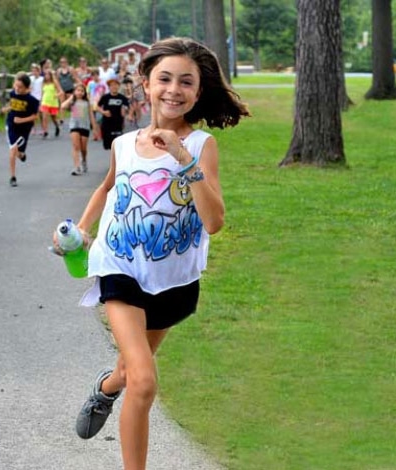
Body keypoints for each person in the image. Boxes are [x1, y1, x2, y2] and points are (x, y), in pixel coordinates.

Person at [55, 37, 250, 470]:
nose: (174, 89)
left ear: (198, 93)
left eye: (186, 82)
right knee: (143, 382)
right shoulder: (123, 144)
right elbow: (107, 188)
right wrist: (81, 230)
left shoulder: (201, 146)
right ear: (146, 84)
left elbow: (214, 220)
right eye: (164, 78)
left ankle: (106, 387)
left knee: (128, 373)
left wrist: (181, 156)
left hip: (174, 278)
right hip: (120, 269)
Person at [3, 72, 40, 187]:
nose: (17, 89)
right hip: (11, 125)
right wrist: (7, 108)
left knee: (18, 151)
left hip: (24, 128)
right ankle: (12, 177)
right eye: (16, 86)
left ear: (27, 88)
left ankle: (21, 155)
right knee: (13, 149)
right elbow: (12, 105)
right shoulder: (13, 93)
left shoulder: (32, 100)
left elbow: (35, 116)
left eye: (20, 87)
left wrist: (22, 120)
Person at [61, 83, 97, 175]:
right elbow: (63, 106)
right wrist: (71, 98)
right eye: (77, 90)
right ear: (74, 92)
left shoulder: (87, 102)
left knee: (83, 149)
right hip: (74, 126)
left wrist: (95, 128)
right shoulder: (72, 101)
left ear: (84, 92)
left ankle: (84, 160)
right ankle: (77, 167)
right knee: (76, 146)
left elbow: (91, 115)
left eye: (82, 91)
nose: (80, 92)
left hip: (85, 126)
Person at [97, 77, 129, 151]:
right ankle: (112, 161)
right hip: (106, 124)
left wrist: (125, 111)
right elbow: (97, 106)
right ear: (109, 87)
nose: (114, 86)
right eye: (111, 85)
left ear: (118, 86)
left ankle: (116, 161)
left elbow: (127, 107)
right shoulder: (105, 97)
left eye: (116, 85)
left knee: (117, 146)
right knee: (108, 146)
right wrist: (103, 112)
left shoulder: (122, 98)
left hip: (118, 124)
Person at [39, 69, 62, 138]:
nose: (46, 76)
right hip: (45, 102)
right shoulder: (43, 83)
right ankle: (45, 131)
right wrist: (40, 101)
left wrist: (56, 95)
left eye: (48, 74)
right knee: (44, 117)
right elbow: (42, 93)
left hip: (53, 102)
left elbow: (61, 92)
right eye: (45, 75)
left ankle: (57, 126)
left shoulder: (54, 82)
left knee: (53, 118)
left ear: (51, 75)